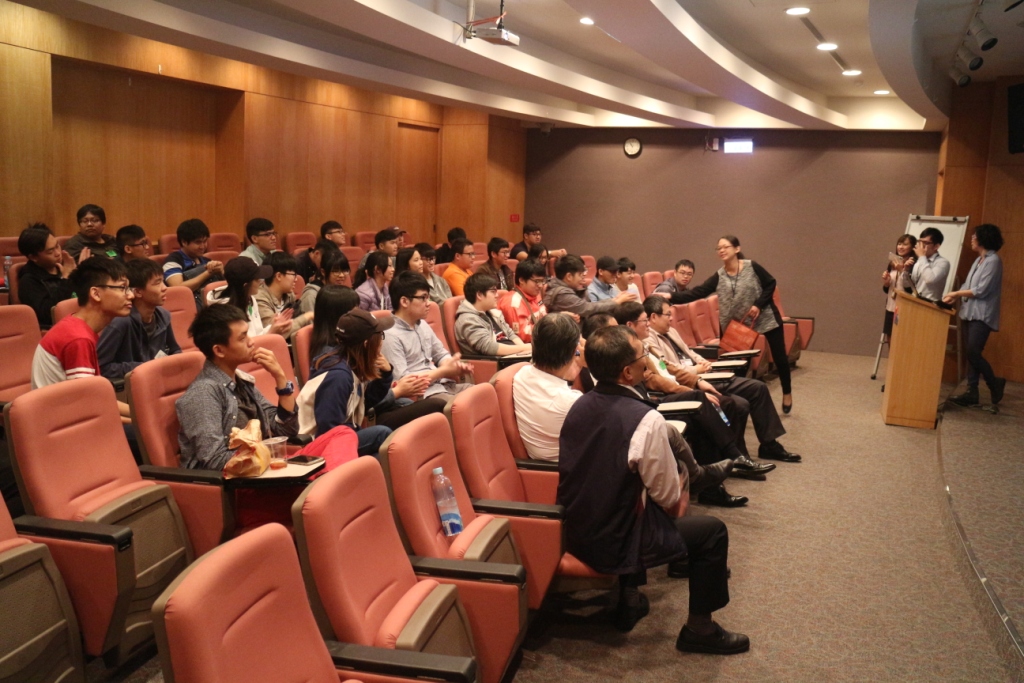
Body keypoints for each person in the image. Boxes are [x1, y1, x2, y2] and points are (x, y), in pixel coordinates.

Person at [558, 325, 749, 652]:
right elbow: (668, 497)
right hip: (614, 541)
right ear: (628, 372)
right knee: (711, 531)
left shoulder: (578, 404)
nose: (647, 360)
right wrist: (684, 475)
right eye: (642, 355)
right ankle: (700, 630)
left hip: (572, 529)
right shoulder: (646, 421)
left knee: (633, 495)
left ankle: (629, 597)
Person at [644, 296, 800, 463]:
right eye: (668, 314)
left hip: (704, 373)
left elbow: (690, 353)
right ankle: (737, 457)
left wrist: (703, 362)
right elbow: (666, 367)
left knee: (758, 388)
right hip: (691, 379)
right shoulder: (648, 339)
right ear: (654, 317)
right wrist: (695, 370)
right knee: (740, 404)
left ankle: (769, 445)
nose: (671, 318)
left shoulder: (671, 331)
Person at [670, 235, 795, 414]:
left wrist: (758, 305)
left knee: (780, 357)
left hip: (765, 317)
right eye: (718, 248)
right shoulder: (719, 275)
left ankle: (787, 392)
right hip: (737, 324)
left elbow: (770, 284)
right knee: (739, 363)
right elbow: (699, 292)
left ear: (737, 249)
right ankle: (739, 403)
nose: (721, 250)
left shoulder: (752, 267)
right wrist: (670, 297)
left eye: (725, 247)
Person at [306, 309, 447, 454]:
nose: (381, 340)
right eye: (380, 335)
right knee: (381, 434)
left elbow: (365, 401)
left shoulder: (350, 362)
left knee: (405, 407)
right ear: (366, 343)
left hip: (346, 432)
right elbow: (329, 431)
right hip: (321, 446)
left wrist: (386, 374)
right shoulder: (338, 377)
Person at [176, 304, 297, 471]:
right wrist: (264, 456)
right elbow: (215, 461)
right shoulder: (203, 393)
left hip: (257, 469)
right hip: (232, 480)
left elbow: (285, 429)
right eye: (242, 338)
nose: (251, 342)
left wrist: (280, 377)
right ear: (219, 350)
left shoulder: (242, 382)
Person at [31, 257, 134, 424]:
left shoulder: (78, 328)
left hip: (74, 419)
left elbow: (93, 400)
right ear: (96, 294)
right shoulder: (78, 339)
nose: (131, 295)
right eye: (123, 288)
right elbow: (87, 406)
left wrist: (141, 415)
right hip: (62, 427)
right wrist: (140, 419)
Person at [381, 271, 472, 398]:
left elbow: (440, 354)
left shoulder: (422, 324)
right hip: (423, 395)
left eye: (428, 297)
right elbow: (405, 382)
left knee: (481, 393)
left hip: (443, 385)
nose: (428, 303)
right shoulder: (390, 335)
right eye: (423, 298)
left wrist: (452, 364)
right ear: (404, 301)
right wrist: (443, 371)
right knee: (463, 403)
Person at [945, 224, 1006, 407]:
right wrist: (954, 296)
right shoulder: (978, 260)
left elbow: (981, 290)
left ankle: (994, 382)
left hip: (982, 314)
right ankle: (972, 391)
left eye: (974, 236)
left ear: (983, 238)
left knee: (973, 351)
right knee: (972, 353)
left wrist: (957, 293)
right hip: (969, 312)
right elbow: (967, 285)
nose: (971, 239)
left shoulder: (993, 261)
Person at [98, 258, 182, 380]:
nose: (164, 288)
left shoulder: (164, 315)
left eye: (163, 281)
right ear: (137, 292)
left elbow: (175, 350)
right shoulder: (120, 322)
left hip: (159, 378)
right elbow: (101, 367)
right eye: (157, 283)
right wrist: (145, 367)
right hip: (130, 385)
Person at [209, 257, 292, 338]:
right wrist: (271, 332)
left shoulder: (250, 299)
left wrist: (273, 326)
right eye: (256, 279)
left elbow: (258, 333)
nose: (260, 281)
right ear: (245, 286)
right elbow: (244, 344)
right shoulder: (225, 313)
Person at [454, 273, 532, 357]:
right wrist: (524, 348)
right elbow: (489, 347)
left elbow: (510, 334)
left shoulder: (492, 312)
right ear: (479, 295)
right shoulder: (467, 319)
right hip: (497, 361)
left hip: (513, 355)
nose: (497, 295)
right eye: (493, 292)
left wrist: (526, 351)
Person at [16, 224, 77, 326]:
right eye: (50, 251)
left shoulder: (65, 266)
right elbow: (48, 314)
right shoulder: (28, 281)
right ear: (33, 257)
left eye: (57, 246)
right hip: (56, 328)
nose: (58, 253)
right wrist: (66, 279)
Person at [545, 254, 634, 318]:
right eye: (580, 274)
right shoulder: (562, 293)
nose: (583, 276)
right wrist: (616, 302)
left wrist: (614, 300)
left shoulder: (566, 289)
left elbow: (590, 305)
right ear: (569, 276)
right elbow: (587, 308)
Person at [163, 218, 224, 308]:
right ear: (184, 242)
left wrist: (221, 270)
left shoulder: (206, 260)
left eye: (205, 241)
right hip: (187, 306)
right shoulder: (173, 261)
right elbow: (178, 288)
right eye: (198, 242)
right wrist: (208, 273)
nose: (202, 246)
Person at [255, 252, 313, 338]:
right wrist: (307, 316)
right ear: (279, 276)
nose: (296, 279)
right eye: (294, 275)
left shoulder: (289, 295)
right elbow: (277, 332)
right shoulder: (259, 299)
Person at [498, 259, 548, 342]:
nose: (540, 285)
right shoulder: (513, 303)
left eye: (542, 281)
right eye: (537, 281)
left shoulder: (535, 294)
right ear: (521, 280)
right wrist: (550, 330)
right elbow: (523, 335)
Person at [881, 234, 917, 341]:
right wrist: (886, 283)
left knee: (901, 338)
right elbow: (887, 289)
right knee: (890, 336)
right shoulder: (892, 263)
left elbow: (912, 290)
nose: (900, 247)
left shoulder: (913, 265)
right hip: (891, 305)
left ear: (912, 247)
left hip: (905, 307)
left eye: (905, 244)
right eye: (899, 244)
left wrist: (902, 270)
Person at [909, 227, 950, 302]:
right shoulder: (920, 261)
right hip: (914, 301)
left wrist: (922, 256)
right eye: (920, 242)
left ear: (936, 246)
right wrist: (904, 271)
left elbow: (930, 279)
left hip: (929, 304)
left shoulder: (943, 262)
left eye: (925, 243)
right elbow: (911, 284)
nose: (921, 246)